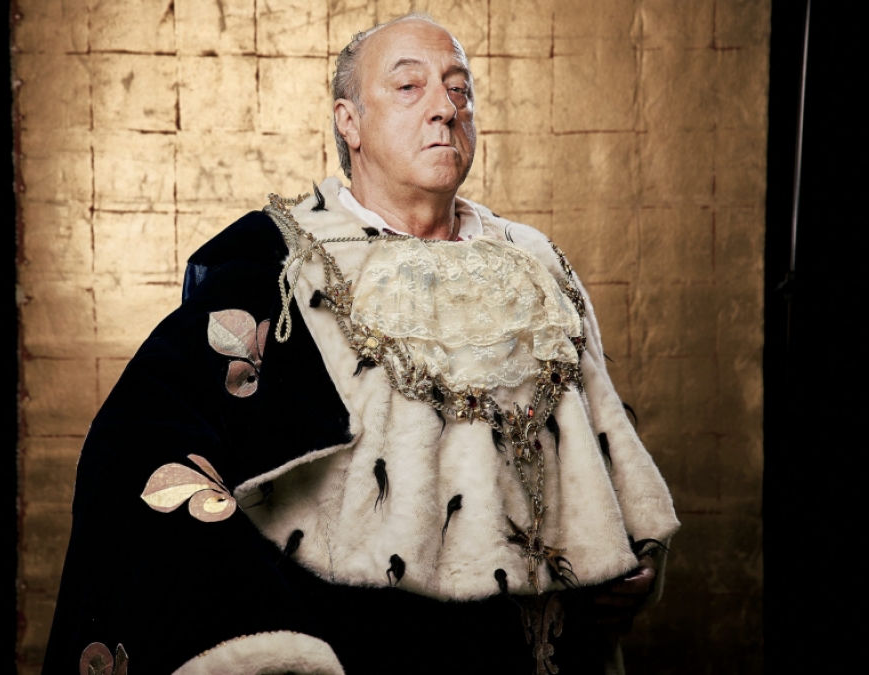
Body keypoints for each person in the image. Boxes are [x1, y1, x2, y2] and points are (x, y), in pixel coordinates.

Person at [42, 14, 679, 675]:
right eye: (409, 87)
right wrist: (265, 636)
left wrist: (633, 557)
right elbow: (142, 438)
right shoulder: (280, 266)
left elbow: (603, 436)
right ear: (349, 122)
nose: (445, 108)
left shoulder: (538, 263)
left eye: (459, 89)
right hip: (356, 648)